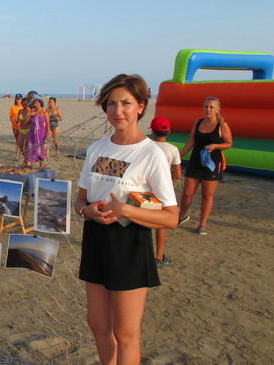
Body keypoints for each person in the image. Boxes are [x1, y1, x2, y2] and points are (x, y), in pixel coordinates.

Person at [73, 74, 178, 364]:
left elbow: (171, 217)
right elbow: (80, 199)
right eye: (111, 104)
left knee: (125, 332)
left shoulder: (150, 154)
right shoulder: (97, 148)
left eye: (126, 103)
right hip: (95, 238)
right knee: (98, 324)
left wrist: (126, 211)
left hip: (129, 242)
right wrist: (86, 210)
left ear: (141, 107)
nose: (117, 111)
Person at [178, 96, 233, 235]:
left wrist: (216, 146)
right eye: (206, 106)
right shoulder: (198, 122)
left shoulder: (222, 125)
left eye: (211, 107)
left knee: (207, 195)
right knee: (186, 193)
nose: (208, 109)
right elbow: (191, 141)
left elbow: (229, 143)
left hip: (212, 164)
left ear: (217, 109)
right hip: (195, 161)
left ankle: (202, 224)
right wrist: (179, 156)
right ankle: (181, 216)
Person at [149, 116, 181, 266]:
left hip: (145, 189)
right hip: (162, 191)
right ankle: (159, 256)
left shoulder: (146, 145)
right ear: (168, 132)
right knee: (160, 225)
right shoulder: (173, 149)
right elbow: (178, 174)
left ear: (152, 131)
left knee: (139, 220)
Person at [24, 97, 50, 168]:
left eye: (36, 103)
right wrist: (30, 114)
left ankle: (41, 168)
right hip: (32, 135)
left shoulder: (44, 113)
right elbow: (25, 123)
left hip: (41, 135)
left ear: (40, 103)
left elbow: (48, 126)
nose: (35, 104)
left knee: (41, 152)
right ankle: (29, 166)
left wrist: (47, 137)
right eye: (34, 103)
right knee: (30, 151)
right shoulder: (32, 112)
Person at [9, 93, 24, 158]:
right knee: (17, 140)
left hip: (21, 126)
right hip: (14, 126)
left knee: (20, 140)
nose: (18, 100)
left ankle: (18, 154)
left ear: (21, 99)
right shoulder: (13, 107)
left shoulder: (23, 107)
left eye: (19, 99)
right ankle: (18, 153)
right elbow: (11, 117)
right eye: (17, 99)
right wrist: (13, 121)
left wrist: (20, 122)